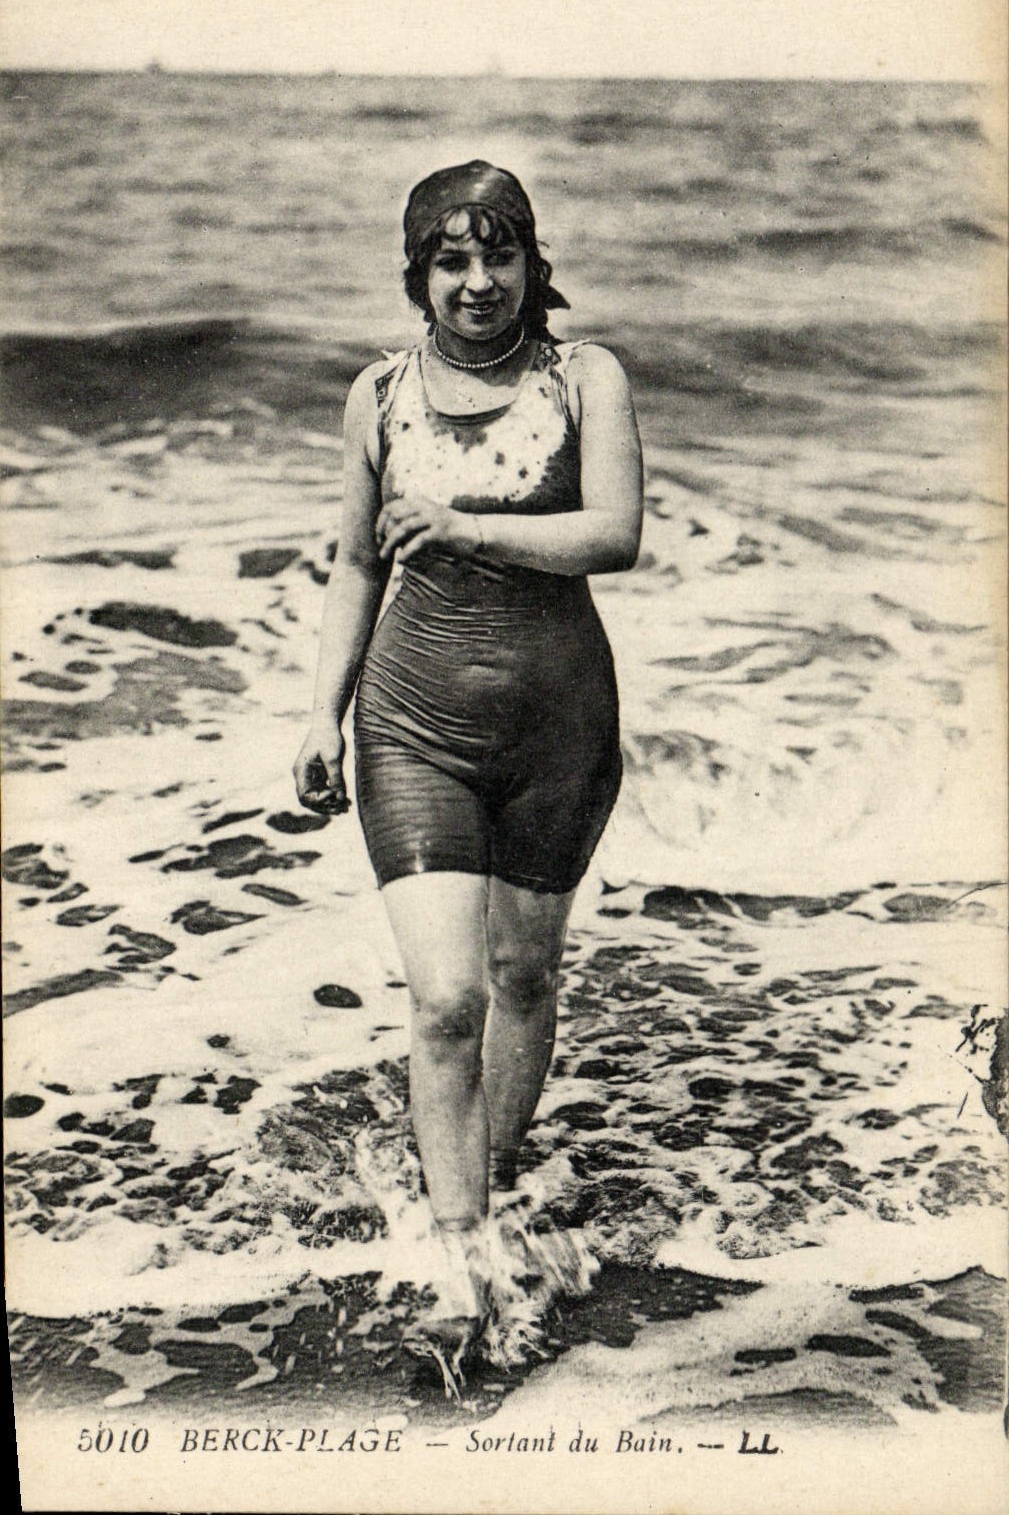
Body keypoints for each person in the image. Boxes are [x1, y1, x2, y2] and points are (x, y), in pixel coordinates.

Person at [294, 160, 642, 1351]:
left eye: (499, 256)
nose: (478, 281)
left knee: (525, 979)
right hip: (411, 722)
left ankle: (486, 1181)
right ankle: (459, 1263)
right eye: (451, 260)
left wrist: (463, 525)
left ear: (531, 264)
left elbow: (615, 534)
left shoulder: (586, 378)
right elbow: (356, 566)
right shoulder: (377, 396)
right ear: (418, 274)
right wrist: (318, 714)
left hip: (558, 728)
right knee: (447, 998)